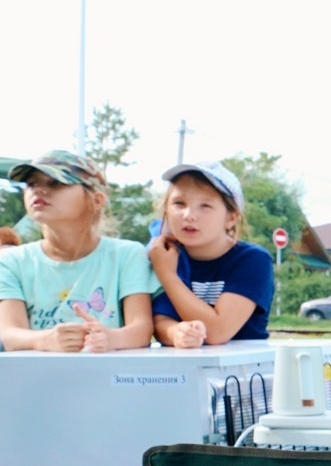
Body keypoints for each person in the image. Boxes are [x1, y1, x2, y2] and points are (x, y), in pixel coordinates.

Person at [0, 151, 154, 353]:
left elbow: (142, 329)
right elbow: (10, 334)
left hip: (110, 379)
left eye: (56, 183)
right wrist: (45, 340)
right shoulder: (11, 260)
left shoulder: (128, 254)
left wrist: (111, 338)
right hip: (37, 380)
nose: (39, 190)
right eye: (31, 184)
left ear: (97, 200)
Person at [148, 162, 273, 346]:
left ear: (231, 218)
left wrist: (167, 275)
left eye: (205, 205)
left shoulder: (253, 260)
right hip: (186, 370)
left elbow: (217, 332)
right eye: (179, 203)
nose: (189, 215)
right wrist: (175, 333)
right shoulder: (166, 254)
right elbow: (160, 320)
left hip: (243, 371)